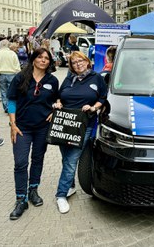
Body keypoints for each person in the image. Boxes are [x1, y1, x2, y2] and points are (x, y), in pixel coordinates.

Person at [7, 48, 59, 220]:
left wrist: (55, 109)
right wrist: (12, 124)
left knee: (37, 159)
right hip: (22, 128)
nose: (43, 60)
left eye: (46, 58)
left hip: (42, 128)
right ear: (33, 59)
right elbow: (12, 100)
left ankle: (33, 190)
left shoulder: (52, 80)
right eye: (40, 57)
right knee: (20, 162)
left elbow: (57, 99)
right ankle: (20, 199)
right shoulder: (20, 77)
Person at [53, 51, 107, 214]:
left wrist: (93, 107)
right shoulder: (69, 78)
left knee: (71, 159)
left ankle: (61, 195)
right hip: (65, 123)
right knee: (66, 157)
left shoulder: (96, 78)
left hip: (84, 124)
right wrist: (58, 103)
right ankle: (70, 186)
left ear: (87, 61)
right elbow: (59, 96)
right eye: (74, 62)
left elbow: (103, 98)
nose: (77, 64)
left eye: (80, 61)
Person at [0, 39, 21, 113]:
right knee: (13, 92)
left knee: (3, 92)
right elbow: (17, 65)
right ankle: (12, 107)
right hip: (12, 74)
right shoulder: (12, 53)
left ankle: (6, 107)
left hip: (1, 74)